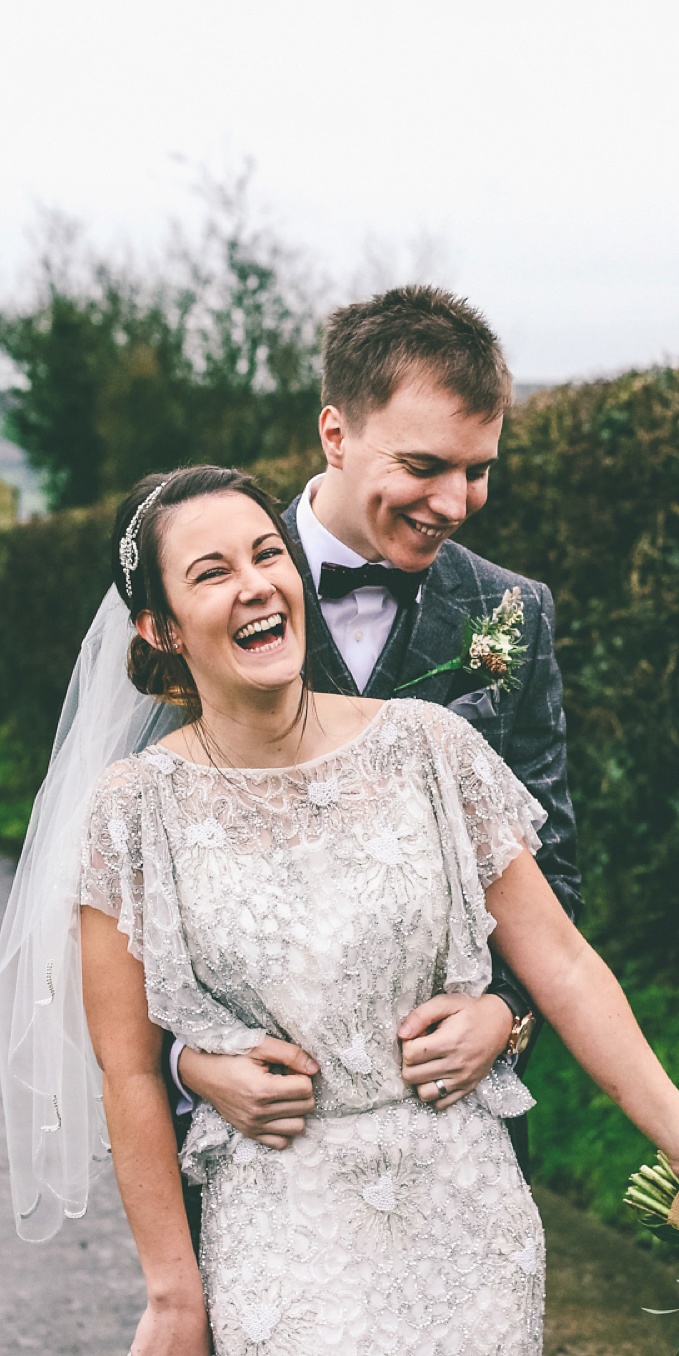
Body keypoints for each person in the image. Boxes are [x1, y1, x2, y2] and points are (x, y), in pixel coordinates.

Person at [71, 464, 679, 1356]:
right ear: (157, 629)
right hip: (286, 1248)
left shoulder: (430, 750)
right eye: (213, 572)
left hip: (467, 1232)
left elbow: (567, 966)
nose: (257, 586)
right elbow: (131, 1065)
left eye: (265, 555)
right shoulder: (132, 814)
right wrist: (172, 1290)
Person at [168, 287, 579, 1197]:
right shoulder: (210, 594)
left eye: (478, 469)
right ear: (336, 435)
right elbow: (143, 892)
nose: (456, 502)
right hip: (265, 1156)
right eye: (426, 464)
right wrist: (193, 1068)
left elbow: (553, 865)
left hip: (455, 1141)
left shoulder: (514, 613)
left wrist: (506, 1014)